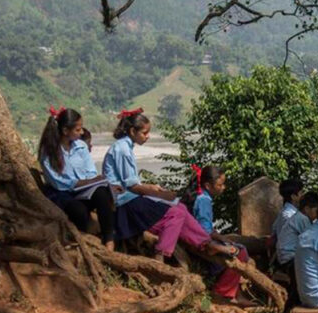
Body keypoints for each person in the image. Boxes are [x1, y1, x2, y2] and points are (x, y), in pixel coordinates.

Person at [103, 109, 235, 262]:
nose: (148, 136)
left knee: (181, 209)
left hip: (131, 197)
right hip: (125, 201)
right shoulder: (123, 149)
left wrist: (153, 189)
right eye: (145, 133)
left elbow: (132, 183)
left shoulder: (126, 147)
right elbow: (131, 186)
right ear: (133, 131)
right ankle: (160, 254)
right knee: (175, 213)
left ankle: (205, 243)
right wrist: (158, 194)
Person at [37, 107, 116, 248]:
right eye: (77, 130)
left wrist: (94, 181)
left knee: (102, 194)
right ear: (65, 131)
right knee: (78, 211)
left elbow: (90, 171)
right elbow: (58, 183)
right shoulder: (48, 151)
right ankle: (80, 241)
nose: (82, 133)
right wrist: (83, 183)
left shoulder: (81, 146)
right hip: (61, 194)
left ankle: (109, 239)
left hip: (84, 190)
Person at [183, 165, 249, 304]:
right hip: (200, 244)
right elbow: (204, 231)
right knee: (241, 252)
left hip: (193, 240)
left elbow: (204, 226)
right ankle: (222, 292)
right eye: (220, 184)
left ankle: (232, 291)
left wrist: (220, 237)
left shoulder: (199, 196)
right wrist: (221, 243)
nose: (223, 187)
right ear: (208, 185)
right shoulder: (204, 200)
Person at [274, 179, 311, 273]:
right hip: (290, 258)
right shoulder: (290, 215)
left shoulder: (286, 213)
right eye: (301, 192)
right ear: (294, 196)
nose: (303, 195)